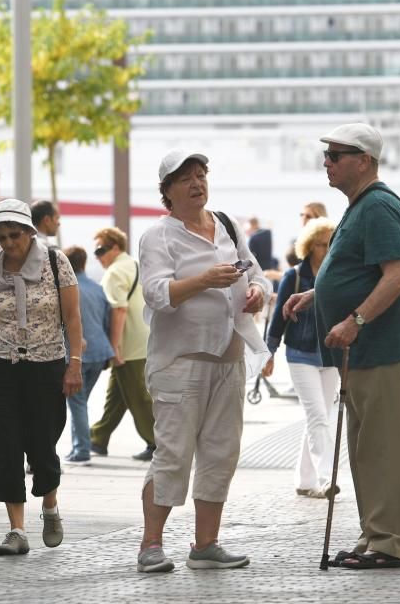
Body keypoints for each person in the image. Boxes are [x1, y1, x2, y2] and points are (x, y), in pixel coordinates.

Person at [284, 122, 400, 570]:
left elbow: (395, 276)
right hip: (360, 352)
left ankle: (389, 542)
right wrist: (316, 295)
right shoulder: (359, 206)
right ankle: (374, 536)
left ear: (363, 160)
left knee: (380, 446)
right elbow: (357, 273)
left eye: (336, 154)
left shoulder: (378, 206)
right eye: (327, 154)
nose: (327, 161)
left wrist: (355, 320)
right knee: (365, 447)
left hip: (377, 347)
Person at [136, 150, 271, 573]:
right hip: (181, 363)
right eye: (186, 179)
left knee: (220, 454)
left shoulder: (226, 224)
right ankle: (151, 545)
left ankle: (205, 544)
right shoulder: (158, 236)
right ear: (168, 191)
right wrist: (205, 281)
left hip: (229, 358)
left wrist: (258, 293)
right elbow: (156, 293)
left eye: (201, 175)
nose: (197, 184)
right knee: (173, 454)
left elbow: (258, 274)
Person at [0, 198, 83, 556]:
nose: (9, 243)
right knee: (6, 445)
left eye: (15, 235)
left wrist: (74, 362)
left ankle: (49, 504)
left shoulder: (56, 264)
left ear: (30, 231)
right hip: (1, 366)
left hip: (47, 364)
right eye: (2, 237)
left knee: (43, 442)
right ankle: (16, 529)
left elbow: (73, 318)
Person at [263, 216, 340, 498]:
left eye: (330, 243)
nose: (326, 249)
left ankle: (304, 479)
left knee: (319, 418)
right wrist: (268, 353)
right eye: (321, 244)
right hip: (300, 354)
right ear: (309, 246)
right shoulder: (294, 276)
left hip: (330, 354)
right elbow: (278, 319)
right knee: (317, 415)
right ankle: (325, 477)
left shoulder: (336, 274)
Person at [89, 227, 156, 461]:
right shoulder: (134, 264)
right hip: (142, 336)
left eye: (101, 249)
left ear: (115, 247)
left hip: (128, 342)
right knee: (117, 393)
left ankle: (156, 442)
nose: (97, 256)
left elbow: (119, 309)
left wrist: (114, 346)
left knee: (137, 394)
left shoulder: (115, 272)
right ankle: (98, 437)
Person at [63, 245, 114, 464]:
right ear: (84, 263)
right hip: (100, 351)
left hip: (78, 354)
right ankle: (78, 448)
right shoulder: (98, 288)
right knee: (81, 401)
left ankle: (81, 450)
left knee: (77, 402)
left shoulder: (67, 289)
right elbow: (107, 321)